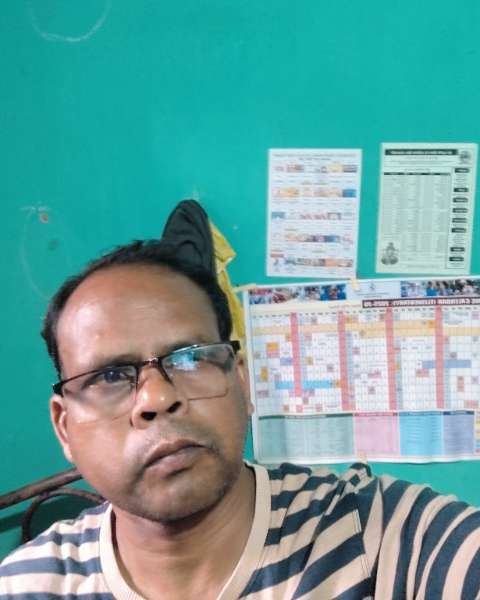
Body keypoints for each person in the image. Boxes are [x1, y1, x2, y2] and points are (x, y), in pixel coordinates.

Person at [2, 239, 480, 599]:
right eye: (110, 376)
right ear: (64, 426)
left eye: (191, 358)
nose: (158, 398)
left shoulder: (383, 537)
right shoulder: (28, 586)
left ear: (243, 382)